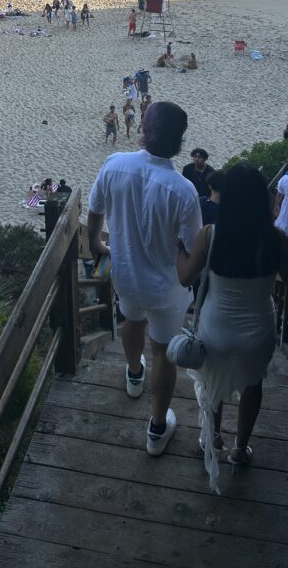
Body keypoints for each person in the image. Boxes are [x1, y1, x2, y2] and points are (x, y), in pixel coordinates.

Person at [177, 162, 288, 492]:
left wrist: (178, 249)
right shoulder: (275, 238)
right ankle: (240, 449)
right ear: (261, 198)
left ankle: (213, 438)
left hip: (215, 327)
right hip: (258, 329)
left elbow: (185, 277)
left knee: (212, 382)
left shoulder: (210, 234)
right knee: (252, 386)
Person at [88, 101, 202, 456]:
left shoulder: (115, 165)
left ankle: (134, 373)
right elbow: (192, 249)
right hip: (166, 286)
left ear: (142, 130)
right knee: (163, 352)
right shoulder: (183, 190)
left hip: (125, 272)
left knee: (131, 320)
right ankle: (156, 428)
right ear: (179, 141)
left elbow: (95, 210)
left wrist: (96, 245)